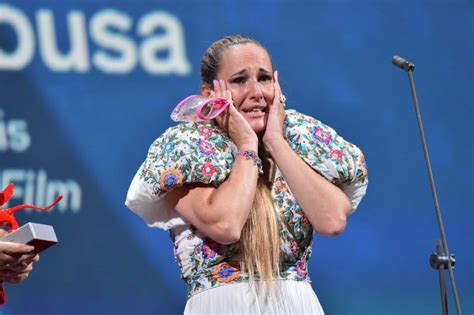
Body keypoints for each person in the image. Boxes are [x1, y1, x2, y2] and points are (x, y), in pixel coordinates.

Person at [126, 34, 368, 314]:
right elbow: (226, 225)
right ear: (209, 94)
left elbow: (332, 221)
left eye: (264, 78)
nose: (257, 92)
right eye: (240, 80)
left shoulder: (301, 139)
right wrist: (247, 146)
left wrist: (276, 143)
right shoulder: (186, 148)